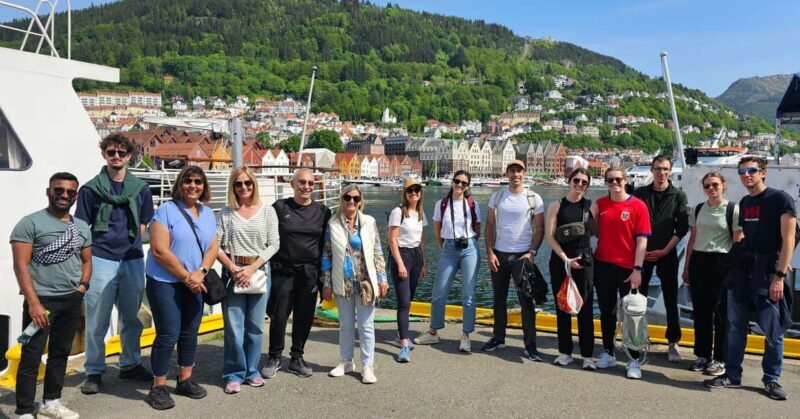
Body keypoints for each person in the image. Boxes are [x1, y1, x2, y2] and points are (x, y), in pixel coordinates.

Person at [705, 157, 797, 401]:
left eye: (752, 171)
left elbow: (789, 240)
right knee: (735, 327)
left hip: (768, 272)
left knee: (772, 331)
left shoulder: (780, 200)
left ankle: (771, 379)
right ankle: (733, 375)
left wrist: (778, 276)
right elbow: (743, 234)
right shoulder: (745, 202)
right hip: (742, 271)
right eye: (742, 171)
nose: (746, 175)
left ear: (763, 173)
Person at [76, 133, 154, 395]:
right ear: (104, 155)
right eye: (112, 152)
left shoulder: (140, 188)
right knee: (97, 318)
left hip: (131, 258)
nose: (116, 157)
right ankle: (94, 370)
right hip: (100, 257)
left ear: (129, 156)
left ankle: (130, 363)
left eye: (121, 153)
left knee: (132, 317)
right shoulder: (89, 189)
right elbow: (81, 228)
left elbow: (146, 222)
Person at [11, 172, 92, 419]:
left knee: (60, 353)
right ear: (49, 191)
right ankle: (25, 410)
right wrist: (33, 302)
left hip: (71, 299)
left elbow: (87, 260)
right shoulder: (30, 223)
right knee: (31, 357)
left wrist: (82, 287)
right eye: (58, 190)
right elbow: (20, 265)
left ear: (75, 195)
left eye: (69, 192)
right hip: (41, 301)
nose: (64, 195)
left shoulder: (79, 227)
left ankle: (51, 402)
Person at [144, 166, 218, 410]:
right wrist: (188, 277)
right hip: (166, 283)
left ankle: (185, 379)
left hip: (195, 281)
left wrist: (202, 273)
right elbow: (158, 250)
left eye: (198, 181)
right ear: (180, 184)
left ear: (204, 186)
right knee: (167, 333)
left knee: (190, 332)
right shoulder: (166, 210)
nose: (193, 185)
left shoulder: (207, 213)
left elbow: (212, 248)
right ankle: (158, 386)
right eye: (188, 181)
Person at [216, 167, 280, 394]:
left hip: (259, 270)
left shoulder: (267, 211)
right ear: (232, 187)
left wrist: (252, 268)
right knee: (234, 327)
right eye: (238, 184)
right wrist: (233, 268)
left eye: (247, 183)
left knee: (255, 326)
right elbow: (217, 246)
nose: (244, 187)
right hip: (233, 271)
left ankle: (251, 370)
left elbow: (274, 244)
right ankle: (234, 373)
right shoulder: (225, 213)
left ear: (254, 185)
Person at [262, 168, 331, 379]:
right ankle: (274, 357)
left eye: (311, 183)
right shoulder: (280, 207)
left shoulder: (323, 211)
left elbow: (327, 246)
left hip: (310, 272)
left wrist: (326, 280)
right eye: (302, 182)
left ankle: (296, 358)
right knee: (279, 316)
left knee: (304, 317)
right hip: (284, 270)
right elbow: (265, 236)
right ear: (293, 184)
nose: (306, 187)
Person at [321, 186, 388, 383]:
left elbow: (377, 251)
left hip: (366, 282)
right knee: (346, 325)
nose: (351, 201)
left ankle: (368, 365)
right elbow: (326, 255)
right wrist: (326, 282)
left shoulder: (369, 222)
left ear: (360, 201)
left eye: (355, 198)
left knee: (366, 326)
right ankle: (346, 361)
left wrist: (382, 278)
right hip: (343, 281)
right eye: (347, 198)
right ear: (342, 200)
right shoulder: (332, 223)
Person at [591, 166, 651, 379]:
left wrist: (638, 268)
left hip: (628, 266)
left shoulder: (638, 206)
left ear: (625, 181)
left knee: (632, 315)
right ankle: (608, 351)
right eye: (610, 180)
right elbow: (588, 223)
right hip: (603, 264)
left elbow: (642, 240)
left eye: (618, 179)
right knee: (607, 311)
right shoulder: (600, 204)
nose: (614, 183)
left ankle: (633, 358)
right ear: (606, 182)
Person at [483, 160, 545, 360]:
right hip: (500, 253)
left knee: (526, 301)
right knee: (498, 299)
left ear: (524, 174)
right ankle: (498, 338)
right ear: (507, 174)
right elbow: (490, 226)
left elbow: (540, 229)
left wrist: (532, 252)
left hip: (523, 255)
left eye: (519, 171)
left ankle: (530, 345)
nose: (515, 174)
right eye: (512, 171)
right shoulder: (497, 196)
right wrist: (490, 252)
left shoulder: (534, 198)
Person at [414, 170, 481, 352]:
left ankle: (466, 335)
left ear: (468, 186)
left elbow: (477, 228)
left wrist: (470, 242)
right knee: (439, 292)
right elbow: (437, 229)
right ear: (452, 182)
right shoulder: (441, 204)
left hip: (469, 248)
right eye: (457, 181)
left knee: (468, 295)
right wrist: (444, 245)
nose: (459, 185)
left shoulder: (472, 204)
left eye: (464, 183)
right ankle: (433, 332)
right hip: (449, 248)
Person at [683, 172, 742, 375]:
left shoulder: (733, 210)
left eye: (715, 184)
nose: (711, 188)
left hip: (722, 262)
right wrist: (687, 266)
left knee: (721, 313)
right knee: (701, 311)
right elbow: (693, 239)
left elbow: (737, 242)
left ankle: (720, 359)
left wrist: (734, 269)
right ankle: (702, 355)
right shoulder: (699, 209)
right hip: (700, 260)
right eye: (707, 185)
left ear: (723, 185)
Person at [633, 155, 689, 362]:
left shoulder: (678, 196)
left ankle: (673, 342)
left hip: (667, 253)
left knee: (670, 298)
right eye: (658, 169)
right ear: (651, 170)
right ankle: (637, 340)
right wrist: (641, 249)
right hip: (643, 253)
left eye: (665, 169)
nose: (661, 173)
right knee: (639, 298)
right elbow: (632, 223)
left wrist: (665, 250)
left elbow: (682, 228)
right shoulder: (640, 194)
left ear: (670, 171)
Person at [545, 168, 595, 369]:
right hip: (561, 261)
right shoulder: (556, 206)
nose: (580, 184)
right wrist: (566, 259)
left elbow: (598, 232)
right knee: (563, 307)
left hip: (584, 261)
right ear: (569, 181)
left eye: (584, 182)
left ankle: (588, 355)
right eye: (576, 180)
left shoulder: (591, 206)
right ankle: (565, 352)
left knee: (586, 308)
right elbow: (549, 236)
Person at [387, 178, 427, 363]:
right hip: (401, 256)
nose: (414, 193)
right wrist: (401, 264)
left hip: (416, 256)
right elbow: (392, 240)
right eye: (410, 190)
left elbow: (421, 240)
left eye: (417, 190)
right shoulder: (398, 212)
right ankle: (404, 343)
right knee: (403, 302)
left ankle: (398, 334)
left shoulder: (420, 213)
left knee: (409, 299)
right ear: (404, 193)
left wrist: (424, 262)